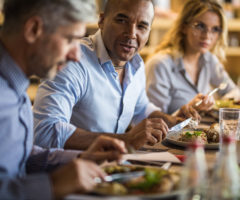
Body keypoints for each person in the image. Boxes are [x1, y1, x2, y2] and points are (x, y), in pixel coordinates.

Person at [33, 0, 201, 151]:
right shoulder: (73, 61)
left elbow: (141, 108)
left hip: (115, 168)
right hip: (71, 174)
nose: (131, 34)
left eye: (142, 26)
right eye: (122, 20)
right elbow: (44, 131)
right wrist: (125, 140)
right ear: (102, 20)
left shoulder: (136, 64)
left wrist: (172, 120)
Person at [0, 0, 127, 199]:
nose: (77, 56)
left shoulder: (15, 83)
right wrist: (52, 185)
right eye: (70, 39)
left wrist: (81, 158)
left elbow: (18, 156)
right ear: (33, 29)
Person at [145, 0, 240, 115]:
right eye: (200, 26)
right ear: (183, 27)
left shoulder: (209, 60)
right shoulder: (160, 64)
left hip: (199, 131)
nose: (207, 36)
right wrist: (188, 110)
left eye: (215, 29)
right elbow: (153, 122)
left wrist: (216, 104)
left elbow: (234, 91)